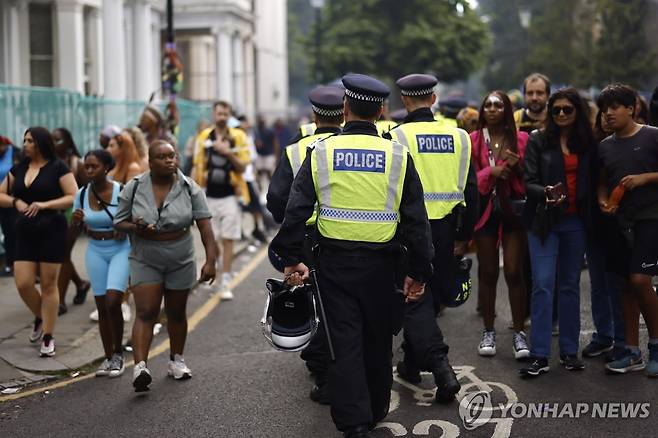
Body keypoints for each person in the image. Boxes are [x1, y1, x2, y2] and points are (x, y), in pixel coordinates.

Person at [271, 74, 433, 437]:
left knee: (343, 345)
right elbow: (416, 221)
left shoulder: (320, 152)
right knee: (377, 342)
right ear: (380, 111)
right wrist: (419, 271)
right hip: (383, 267)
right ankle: (375, 411)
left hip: (334, 267)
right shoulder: (398, 155)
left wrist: (289, 257)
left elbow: (296, 211)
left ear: (344, 109)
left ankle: (354, 423)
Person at [387, 74, 475, 402]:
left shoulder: (396, 137)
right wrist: (465, 235)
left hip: (410, 230)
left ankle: (441, 368)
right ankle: (411, 365)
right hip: (447, 228)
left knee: (414, 301)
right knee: (430, 297)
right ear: (434, 99)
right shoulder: (459, 137)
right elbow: (470, 189)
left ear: (404, 100)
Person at [114, 140, 217, 392]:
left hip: (180, 256)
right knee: (146, 310)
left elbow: (205, 228)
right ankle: (140, 367)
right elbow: (119, 222)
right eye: (163, 157)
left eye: (172, 155)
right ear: (150, 162)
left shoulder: (190, 187)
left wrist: (211, 261)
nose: (170, 160)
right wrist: (135, 227)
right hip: (145, 255)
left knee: (176, 312)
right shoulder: (134, 187)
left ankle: (177, 360)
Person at [267, 85, 344, 404]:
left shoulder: (296, 150)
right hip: (343, 234)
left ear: (314, 116)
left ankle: (321, 367)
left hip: (306, 237)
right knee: (340, 303)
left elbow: (275, 198)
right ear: (344, 114)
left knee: (312, 300)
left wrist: (287, 228)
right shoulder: (355, 144)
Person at [521, 88, 596, 377]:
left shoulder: (587, 142)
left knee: (569, 286)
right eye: (557, 110)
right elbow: (528, 182)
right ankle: (539, 354)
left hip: (576, 221)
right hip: (544, 221)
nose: (562, 114)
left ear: (577, 111)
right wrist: (546, 193)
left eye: (568, 109)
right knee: (542, 284)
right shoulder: (539, 140)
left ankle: (569, 352)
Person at [597, 83, 658, 376]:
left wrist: (646, 178)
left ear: (631, 108)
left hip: (650, 218)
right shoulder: (605, 146)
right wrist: (603, 201)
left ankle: (656, 347)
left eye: (614, 107)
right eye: (604, 109)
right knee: (625, 286)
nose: (608, 114)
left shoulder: (653, 136)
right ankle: (632, 352)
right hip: (621, 223)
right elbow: (601, 181)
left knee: (640, 280)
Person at [0, 127, 78, 357]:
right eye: (24, 140)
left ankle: (48, 336)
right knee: (23, 283)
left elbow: (73, 196)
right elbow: (1, 194)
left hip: (52, 229)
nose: (24, 144)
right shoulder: (19, 168)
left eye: (30, 141)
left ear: (41, 144)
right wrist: (16, 202)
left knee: (48, 284)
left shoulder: (58, 167)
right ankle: (41, 316)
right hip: (24, 230)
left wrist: (44, 205)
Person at [470, 91, 530, 360]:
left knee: (515, 272)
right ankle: (489, 330)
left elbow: (531, 177)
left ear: (506, 110)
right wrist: (489, 172)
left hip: (512, 210)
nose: (493, 109)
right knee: (489, 272)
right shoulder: (473, 141)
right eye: (488, 105)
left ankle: (519, 332)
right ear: (482, 111)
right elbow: (469, 179)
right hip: (485, 212)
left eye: (498, 105)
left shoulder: (521, 139)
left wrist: (518, 168)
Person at [70, 149, 130, 377]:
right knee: (102, 306)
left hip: (120, 250)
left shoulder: (120, 190)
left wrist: (123, 229)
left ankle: (119, 354)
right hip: (94, 249)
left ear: (106, 167)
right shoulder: (82, 193)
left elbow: (132, 220)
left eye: (94, 166)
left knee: (114, 301)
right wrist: (75, 222)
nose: (89, 170)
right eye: (87, 167)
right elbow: (76, 228)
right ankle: (108, 358)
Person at [192, 101, 249, 300]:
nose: (222, 116)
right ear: (214, 115)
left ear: (229, 115)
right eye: (219, 113)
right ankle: (215, 272)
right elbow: (197, 165)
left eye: (225, 113)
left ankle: (225, 280)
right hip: (208, 196)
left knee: (229, 238)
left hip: (231, 196)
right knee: (211, 240)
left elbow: (243, 167)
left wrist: (227, 153)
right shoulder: (204, 137)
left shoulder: (239, 137)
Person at [581, 110, 626, 362]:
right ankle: (603, 335)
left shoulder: (636, 142)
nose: (609, 116)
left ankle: (623, 341)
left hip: (623, 225)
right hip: (595, 224)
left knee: (619, 286)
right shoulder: (592, 148)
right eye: (604, 112)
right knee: (598, 284)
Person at [52, 127, 90, 314]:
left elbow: (87, 192)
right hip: (53, 215)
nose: (54, 143)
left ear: (67, 142)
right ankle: (81, 284)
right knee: (59, 254)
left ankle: (59, 301)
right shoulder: (50, 162)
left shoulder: (77, 164)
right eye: (52, 139)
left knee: (63, 254)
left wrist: (86, 217)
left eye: (58, 140)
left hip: (72, 216)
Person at [0, 135, 22, 276]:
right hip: (1, 200)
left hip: (14, 199)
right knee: (7, 232)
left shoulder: (15, 153)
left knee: (16, 230)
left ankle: (18, 263)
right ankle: (9, 263)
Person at [254, 116, 279, 192]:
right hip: (260, 155)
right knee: (258, 173)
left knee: (270, 172)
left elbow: (275, 144)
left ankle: (272, 188)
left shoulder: (270, 131)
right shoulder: (256, 132)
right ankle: (260, 188)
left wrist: (276, 156)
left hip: (269, 155)